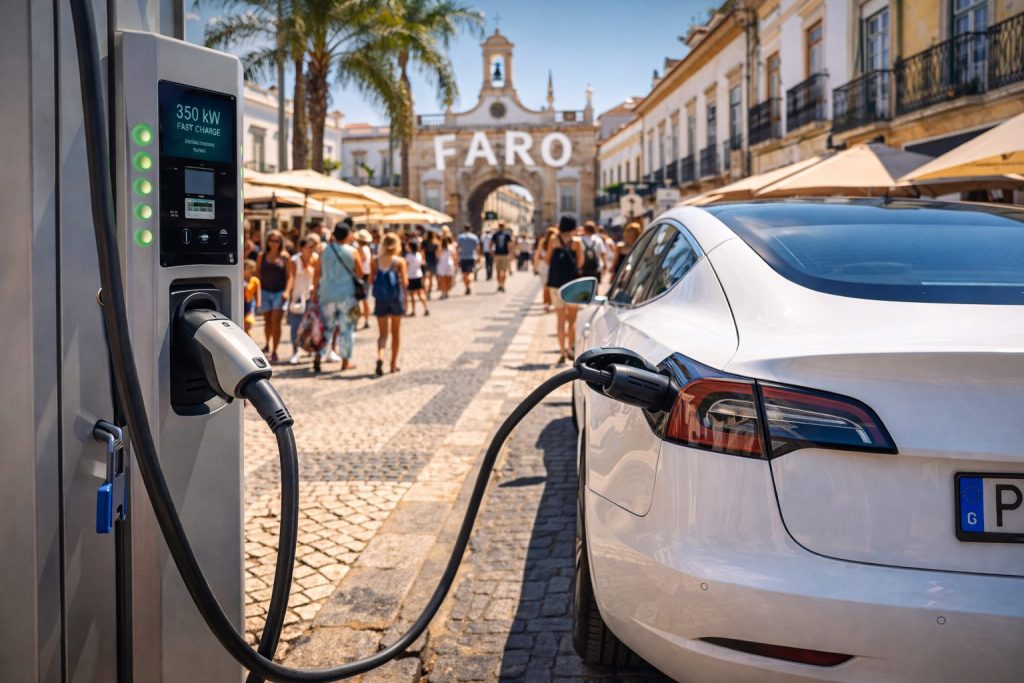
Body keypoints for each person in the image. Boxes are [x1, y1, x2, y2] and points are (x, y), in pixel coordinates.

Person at [313, 222, 363, 373]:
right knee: (346, 329)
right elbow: (360, 273)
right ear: (348, 234)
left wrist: (315, 291)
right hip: (347, 296)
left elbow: (317, 273)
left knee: (325, 328)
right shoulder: (353, 251)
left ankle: (318, 357)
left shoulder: (324, 250)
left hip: (326, 294)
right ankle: (345, 362)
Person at [546, 216, 584, 364]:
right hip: (572, 285)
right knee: (572, 320)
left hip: (555, 284)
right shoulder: (577, 242)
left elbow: (548, 259)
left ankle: (561, 351)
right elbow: (580, 263)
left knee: (560, 320)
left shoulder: (553, 240)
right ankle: (570, 349)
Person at [370, 232, 408, 376]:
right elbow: (405, 282)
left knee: (382, 334)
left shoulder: (375, 261)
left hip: (380, 299)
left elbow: (370, 281)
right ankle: (393, 364)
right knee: (395, 333)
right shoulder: (399, 261)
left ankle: (380, 357)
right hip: (395, 299)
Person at [256, 229, 289, 362]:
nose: (274, 243)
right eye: (272, 240)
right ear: (267, 241)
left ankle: (275, 350)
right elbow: (257, 274)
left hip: (279, 292)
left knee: (276, 321)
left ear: (281, 242)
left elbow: (290, 276)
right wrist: (256, 291)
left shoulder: (285, 257)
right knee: (267, 321)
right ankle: (267, 343)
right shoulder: (261, 256)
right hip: (264, 291)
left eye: (277, 241)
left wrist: (287, 291)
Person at [285, 236, 317, 364]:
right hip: (297, 297)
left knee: (311, 326)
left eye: (313, 247)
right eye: (310, 247)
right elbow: (291, 278)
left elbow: (317, 276)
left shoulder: (315, 259)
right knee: (295, 326)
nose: (312, 249)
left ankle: (310, 349)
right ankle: (295, 351)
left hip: (310, 296)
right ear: (302, 248)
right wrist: (288, 293)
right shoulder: (294, 261)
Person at [534, 227, 558, 313]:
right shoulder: (556, 243)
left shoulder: (542, 242)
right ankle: (549, 303)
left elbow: (537, 255)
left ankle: (546, 303)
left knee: (545, 287)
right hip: (552, 267)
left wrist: (535, 267)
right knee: (551, 287)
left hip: (543, 267)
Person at [404, 240, 430, 317]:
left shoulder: (408, 256)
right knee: (420, 294)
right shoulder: (419, 254)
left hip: (411, 276)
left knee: (412, 295)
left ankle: (413, 311)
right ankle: (426, 308)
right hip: (418, 275)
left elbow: (406, 266)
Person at [355, 229, 374, 329]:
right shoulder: (368, 248)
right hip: (366, 275)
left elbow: (362, 260)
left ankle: (357, 321)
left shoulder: (360, 249)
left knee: (358, 300)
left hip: (360, 276)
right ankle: (366, 320)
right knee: (365, 299)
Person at [456, 225, 481, 295]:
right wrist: (478, 256)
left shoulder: (460, 237)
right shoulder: (474, 237)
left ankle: (467, 286)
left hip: (463, 257)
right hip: (471, 256)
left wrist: (457, 256)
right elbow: (477, 247)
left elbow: (457, 247)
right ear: (470, 229)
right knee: (470, 272)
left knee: (464, 273)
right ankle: (469, 285)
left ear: (464, 229)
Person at [491, 221, 514, 293]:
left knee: (498, 271)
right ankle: (502, 285)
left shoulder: (495, 235)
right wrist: (511, 254)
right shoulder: (507, 235)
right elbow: (510, 245)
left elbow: (490, 244)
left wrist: (492, 252)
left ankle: (500, 285)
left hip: (498, 255)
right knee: (503, 271)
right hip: (504, 255)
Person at [243, 259, 261, 336]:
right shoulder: (240, 279)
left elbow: (258, 292)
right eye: (246, 268)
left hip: (250, 303)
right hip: (241, 302)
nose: (248, 270)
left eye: (250, 268)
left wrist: (258, 303)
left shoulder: (255, 280)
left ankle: (247, 334)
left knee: (248, 321)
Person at [436, 235, 456, 299]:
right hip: (449, 264)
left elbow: (437, 256)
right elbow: (454, 256)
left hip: (442, 264)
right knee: (448, 280)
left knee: (442, 280)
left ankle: (444, 292)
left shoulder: (440, 248)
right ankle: (446, 292)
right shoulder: (451, 247)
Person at [421, 231, 438, 300]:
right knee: (431, 278)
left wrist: (423, 259)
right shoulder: (435, 243)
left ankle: (426, 291)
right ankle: (429, 292)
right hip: (433, 261)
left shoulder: (424, 242)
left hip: (426, 261)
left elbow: (422, 251)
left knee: (425, 278)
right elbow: (437, 253)